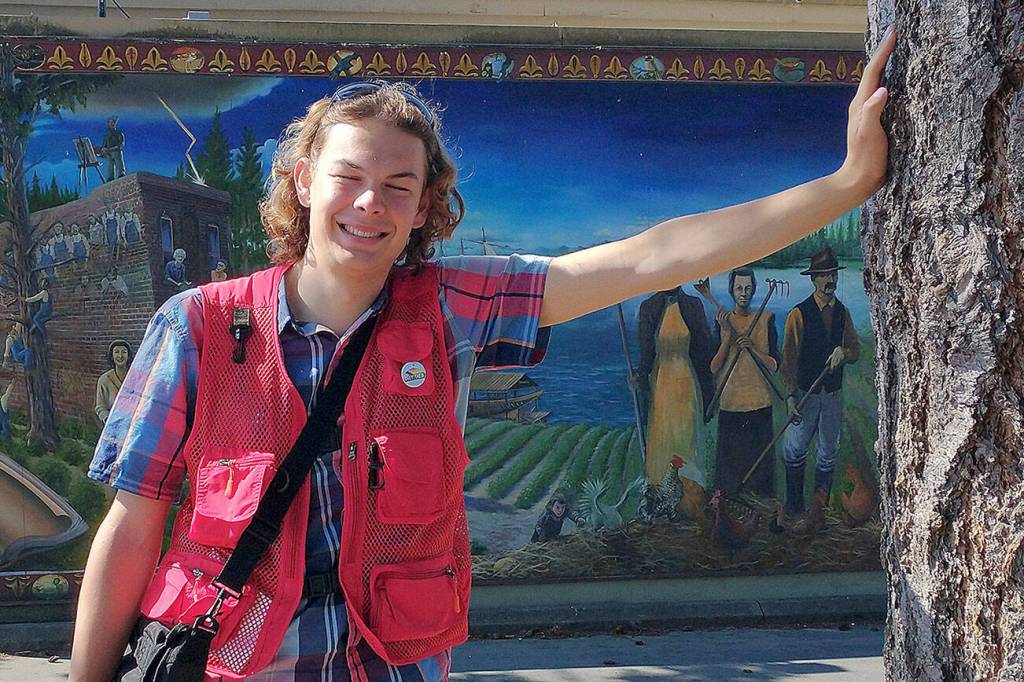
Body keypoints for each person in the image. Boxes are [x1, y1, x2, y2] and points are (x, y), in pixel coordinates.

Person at [72, 32, 895, 682]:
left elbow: (655, 256)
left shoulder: (454, 308)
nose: (370, 202)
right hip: (229, 664)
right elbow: (133, 525)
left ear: (425, 205)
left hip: (391, 665)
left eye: (399, 185)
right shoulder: (196, 327)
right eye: (348, 176)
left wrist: (848, 183)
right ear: (301, 182)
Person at [779, 246, 861, 526]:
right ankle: (793, 507)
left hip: (832, 395)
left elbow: (855, 351)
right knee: (794, 450)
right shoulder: (798, 314)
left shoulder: (843, 313)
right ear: (813, 279)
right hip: (806, 393)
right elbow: (789, 360)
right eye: (824, 275)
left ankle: (818, 513)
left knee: (827, 454)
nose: (830, 280)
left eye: (833, 274)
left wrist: (843, 352)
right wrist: (791, 396)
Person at [710, 266, 779, 496]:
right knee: (729, 479)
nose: (743, 293)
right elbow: (713, 367)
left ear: (754, 290)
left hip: (760, 405)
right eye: (739, 288)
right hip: (730, 406)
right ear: (731, 290)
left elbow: (774, 366)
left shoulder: (766, 320)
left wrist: (754, 350)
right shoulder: (723, 322)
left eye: (748, 288)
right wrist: (727, 339)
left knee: (760, 478)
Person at [636, 286, 715, 485]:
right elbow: (646, 353)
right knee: (663, 436)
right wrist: (639, 378)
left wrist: (709, 393)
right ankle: (660, 492)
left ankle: (690, 492)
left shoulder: (693, 306)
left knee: (686, 435)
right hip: (661, 385)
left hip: (687, 382)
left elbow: (704, 350)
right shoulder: (649, 308)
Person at [94, 340, 131, 423]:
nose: (120, 356)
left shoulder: (136, 377)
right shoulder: (104, 380)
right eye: (116, 352)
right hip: (114, 424)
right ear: (112, 356)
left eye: (124, 352)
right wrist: (107, 419)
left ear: (128, 355)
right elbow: (100, 407)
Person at [97, 115, 126, 181]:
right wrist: (103, 150)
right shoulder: (106, 134)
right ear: (108, 123)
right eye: (110, 122)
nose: (112, 124)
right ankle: (111, 177)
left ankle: (121, 174)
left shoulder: (119, 133)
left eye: (113, 122)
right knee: (110, 167)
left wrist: (110, 149)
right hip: (109, 154)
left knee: (119, 164)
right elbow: (104, 144)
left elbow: (121, 145)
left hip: (116, 152)